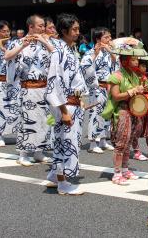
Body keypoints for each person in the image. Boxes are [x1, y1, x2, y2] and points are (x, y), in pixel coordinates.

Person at [45, 13, 88, 195]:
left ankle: (56, 175)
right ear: (64, 31)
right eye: (74, 29)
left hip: (74, 101)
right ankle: (63, 183)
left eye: (78, 29)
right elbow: (55, 82)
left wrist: (82, 99)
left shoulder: (70, 50)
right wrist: (63, 110)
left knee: (68, 141)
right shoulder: (59, 52)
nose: (78, 32)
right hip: (66, 104)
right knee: (64, 142)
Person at [5, 14, 54, 166]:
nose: (43, 28)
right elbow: (7, 56)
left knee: (44, 121)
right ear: (30, 27)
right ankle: (23, 153)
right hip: (28, 87)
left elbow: (58, 56)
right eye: (40, 25)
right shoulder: (19, 42)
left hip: (45, 87)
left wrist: (45, 42)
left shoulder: (45, 42)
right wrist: (23, 46)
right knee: (28, 121)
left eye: (43, 25)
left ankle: (39, 152)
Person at [102, 40, 148, 185]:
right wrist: (131, 91)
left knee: (129, 141)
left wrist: (140, 90)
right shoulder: (116, 76)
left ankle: (125, 169)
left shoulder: (134, 76)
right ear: (125, 60)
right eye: (133, 59)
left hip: (132, 111)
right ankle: (116, 173)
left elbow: (136, 93)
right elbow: (115, 96)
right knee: (121, 142)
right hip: (121, 111)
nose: (136, 62)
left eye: (136, 59)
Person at [80, 27, 115, 154]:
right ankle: (93, 142)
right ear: (98, 39)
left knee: (107, 114)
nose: (109, 39)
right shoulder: (90, 53)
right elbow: (85, 68)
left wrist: (111, 51)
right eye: (106, 37)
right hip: (97, 87)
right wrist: (95, 54)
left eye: (110, 37)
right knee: (95, 114)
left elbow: (115, 66)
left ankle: (103, 140)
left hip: (108, 86)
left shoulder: (107, 53)